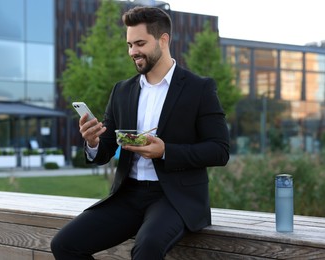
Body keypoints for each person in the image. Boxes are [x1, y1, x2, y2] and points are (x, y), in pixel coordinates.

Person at [51, 6, 230, 260]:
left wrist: (165, 150)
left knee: (146, 249)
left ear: (163, 40)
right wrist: (92, 142)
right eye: (129, 44)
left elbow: (220, 150)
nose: (132, 51)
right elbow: (105, 150)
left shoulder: (199, 89)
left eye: (140, 43)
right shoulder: (121, 91)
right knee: (64, 244)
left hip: (174, 198)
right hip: (128, 195)